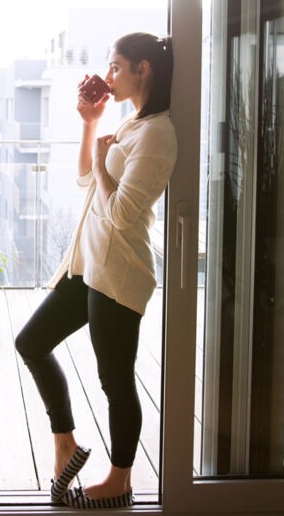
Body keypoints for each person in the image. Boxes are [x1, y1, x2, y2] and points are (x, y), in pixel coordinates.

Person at [15, 31, 176, 510]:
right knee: (31, 341)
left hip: (119, 272)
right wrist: (91, 126)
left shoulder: (157, 132)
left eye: (116, 67)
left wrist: (105, 165)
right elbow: (88, 178)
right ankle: (65, 441)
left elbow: (123, 212)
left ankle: (120, 479)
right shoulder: (130, 124)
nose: (110, 76)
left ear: (142, 69)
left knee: (115, 380)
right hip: (86, 265)